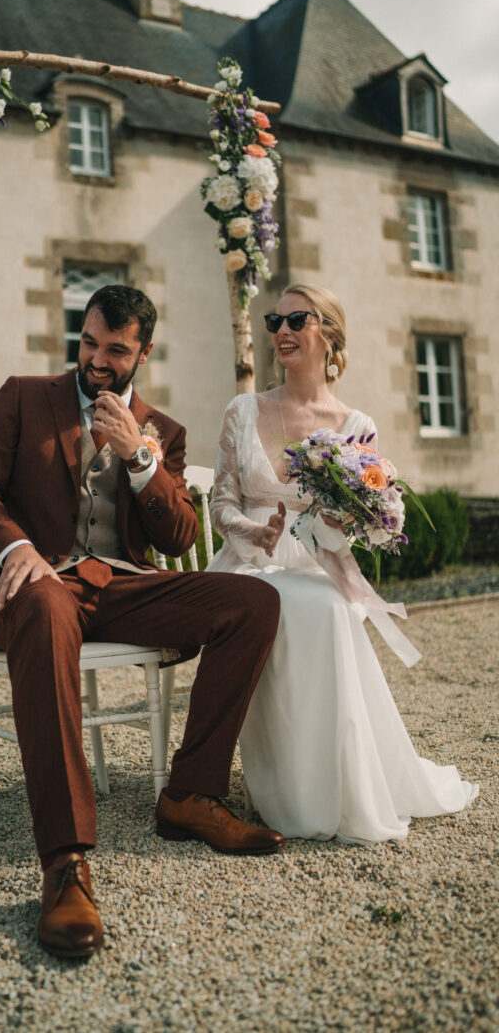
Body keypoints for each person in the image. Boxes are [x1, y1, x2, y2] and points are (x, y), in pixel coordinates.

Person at [0, 284, 285, 960]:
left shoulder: (165, 432)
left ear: (144, 352)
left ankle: (190, 794)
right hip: (38, 584)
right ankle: (66, 862)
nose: (98, 361)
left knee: (253, 603)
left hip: (123, 587)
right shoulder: (23, 397)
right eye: (89, 344)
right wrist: (15, 549)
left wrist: (140, 459)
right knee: (45, 602)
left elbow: (178, 533)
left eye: (116, 350)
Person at [208, 282, 478, 845]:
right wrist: (254, 530)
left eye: (295, 320)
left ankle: (331, 786)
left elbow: (356, 521)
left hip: (315, 565)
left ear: (328, 335)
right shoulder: (243, 409)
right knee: (296, 607)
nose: (280, 332)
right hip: (246, 562)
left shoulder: (356, 425)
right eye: (273, 322)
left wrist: (342, 524)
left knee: (329, 610)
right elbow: (221, 502)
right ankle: (285, 789)